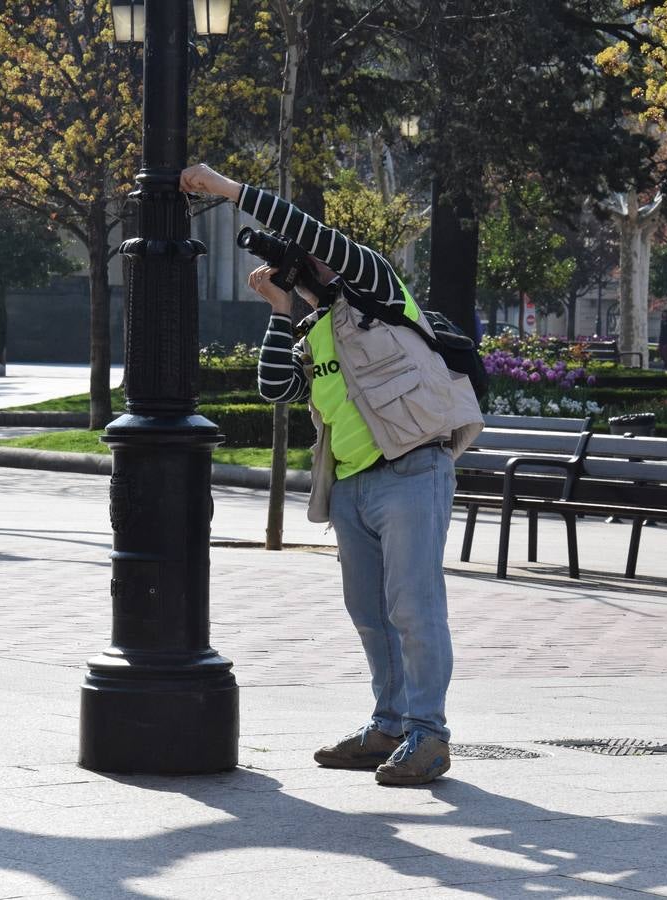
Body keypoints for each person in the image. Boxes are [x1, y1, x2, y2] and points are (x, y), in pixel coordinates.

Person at [180, 163, 484, 786]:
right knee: (370, 612)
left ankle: (429, 734)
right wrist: (280, 307)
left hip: (412, 470)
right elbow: (273, 388)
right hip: (351, 485)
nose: (311, 265)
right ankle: (389, 725)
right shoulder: (316, 327)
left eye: (313, 260)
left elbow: (313, 235)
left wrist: (229, 191)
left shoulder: (376, 286)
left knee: (414, 607)